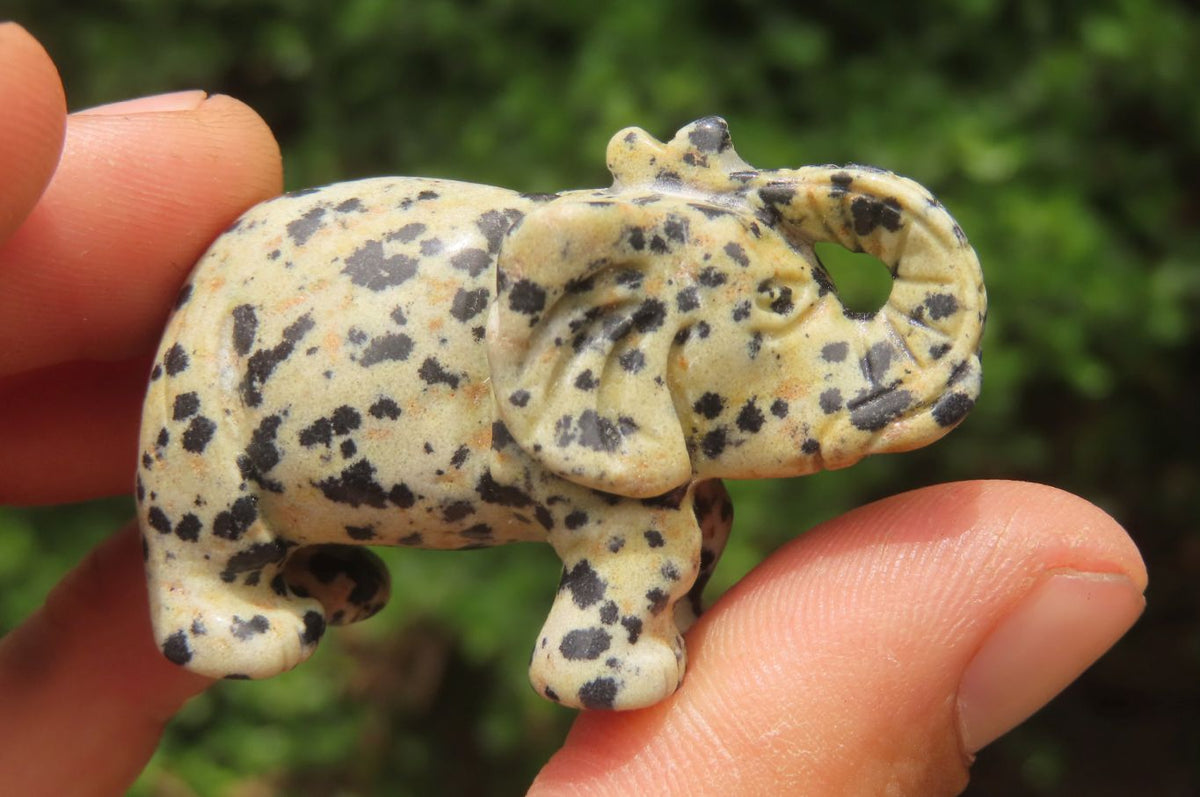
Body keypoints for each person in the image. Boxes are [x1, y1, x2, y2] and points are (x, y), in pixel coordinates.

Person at [0, 22, 1147, 796]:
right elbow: (630, 524)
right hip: (255, 347)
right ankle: (210, 575)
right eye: (784, 319)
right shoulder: (597, 412)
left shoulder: (631, 429)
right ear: (616, 349)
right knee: (210, 448)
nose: (822, 357)